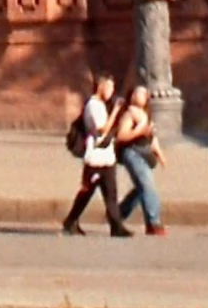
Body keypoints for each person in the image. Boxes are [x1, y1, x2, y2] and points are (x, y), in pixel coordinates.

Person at [61, 73, 134, 237]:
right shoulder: (93, 106)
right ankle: (70, 221)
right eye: (109, 87)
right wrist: (115, 111)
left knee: (111, 194)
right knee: (87, 192)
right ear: (101, 86)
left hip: (107, 158)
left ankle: (116, 226)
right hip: (94, 158)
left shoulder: (101, 104)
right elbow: (102, 129)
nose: (111, 91)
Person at [113, 84, 167, 235]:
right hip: (132, 152)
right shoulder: (129, 114)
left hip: (144, 153)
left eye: (145, 94)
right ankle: (153, 223)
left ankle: (118, 214)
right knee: (147, 185)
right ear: (133, 96)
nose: (144, 96)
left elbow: (151, 137)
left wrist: (160, 154)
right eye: (140, 93)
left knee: (141, 187)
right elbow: (121, 136)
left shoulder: (145, 114)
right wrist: (138, 131)